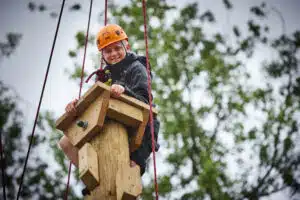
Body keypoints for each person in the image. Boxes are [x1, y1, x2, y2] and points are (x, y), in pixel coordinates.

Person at [58, 24, 160, 182]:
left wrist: (124, 90)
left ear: (127, 46)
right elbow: (94, 104)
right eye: (108, 51)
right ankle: (97, 179)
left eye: (117, 48)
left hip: (138, 132)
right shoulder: (104, 77)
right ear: (102, 55)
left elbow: (145, 101)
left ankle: (109, 179)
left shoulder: (137, 67)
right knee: (66, 142)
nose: (114, 54)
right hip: (107, 131)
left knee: (127, 178)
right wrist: (77, 107)